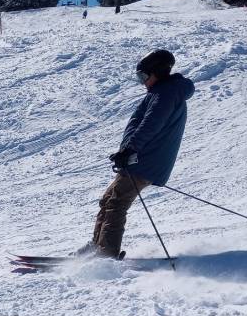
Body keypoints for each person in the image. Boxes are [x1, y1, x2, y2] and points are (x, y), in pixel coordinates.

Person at [81, 50, 195, 258]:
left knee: (117, 202)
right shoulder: (163, 92)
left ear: (158, 73)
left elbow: (150, 125)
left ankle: (106, 253)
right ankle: (97, 246)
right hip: (140, 159)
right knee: (108, 200)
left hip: (145, 160)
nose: (142, 82)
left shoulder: (165, 94)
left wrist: (129, 149)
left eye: (144, 76)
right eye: (139, 78)